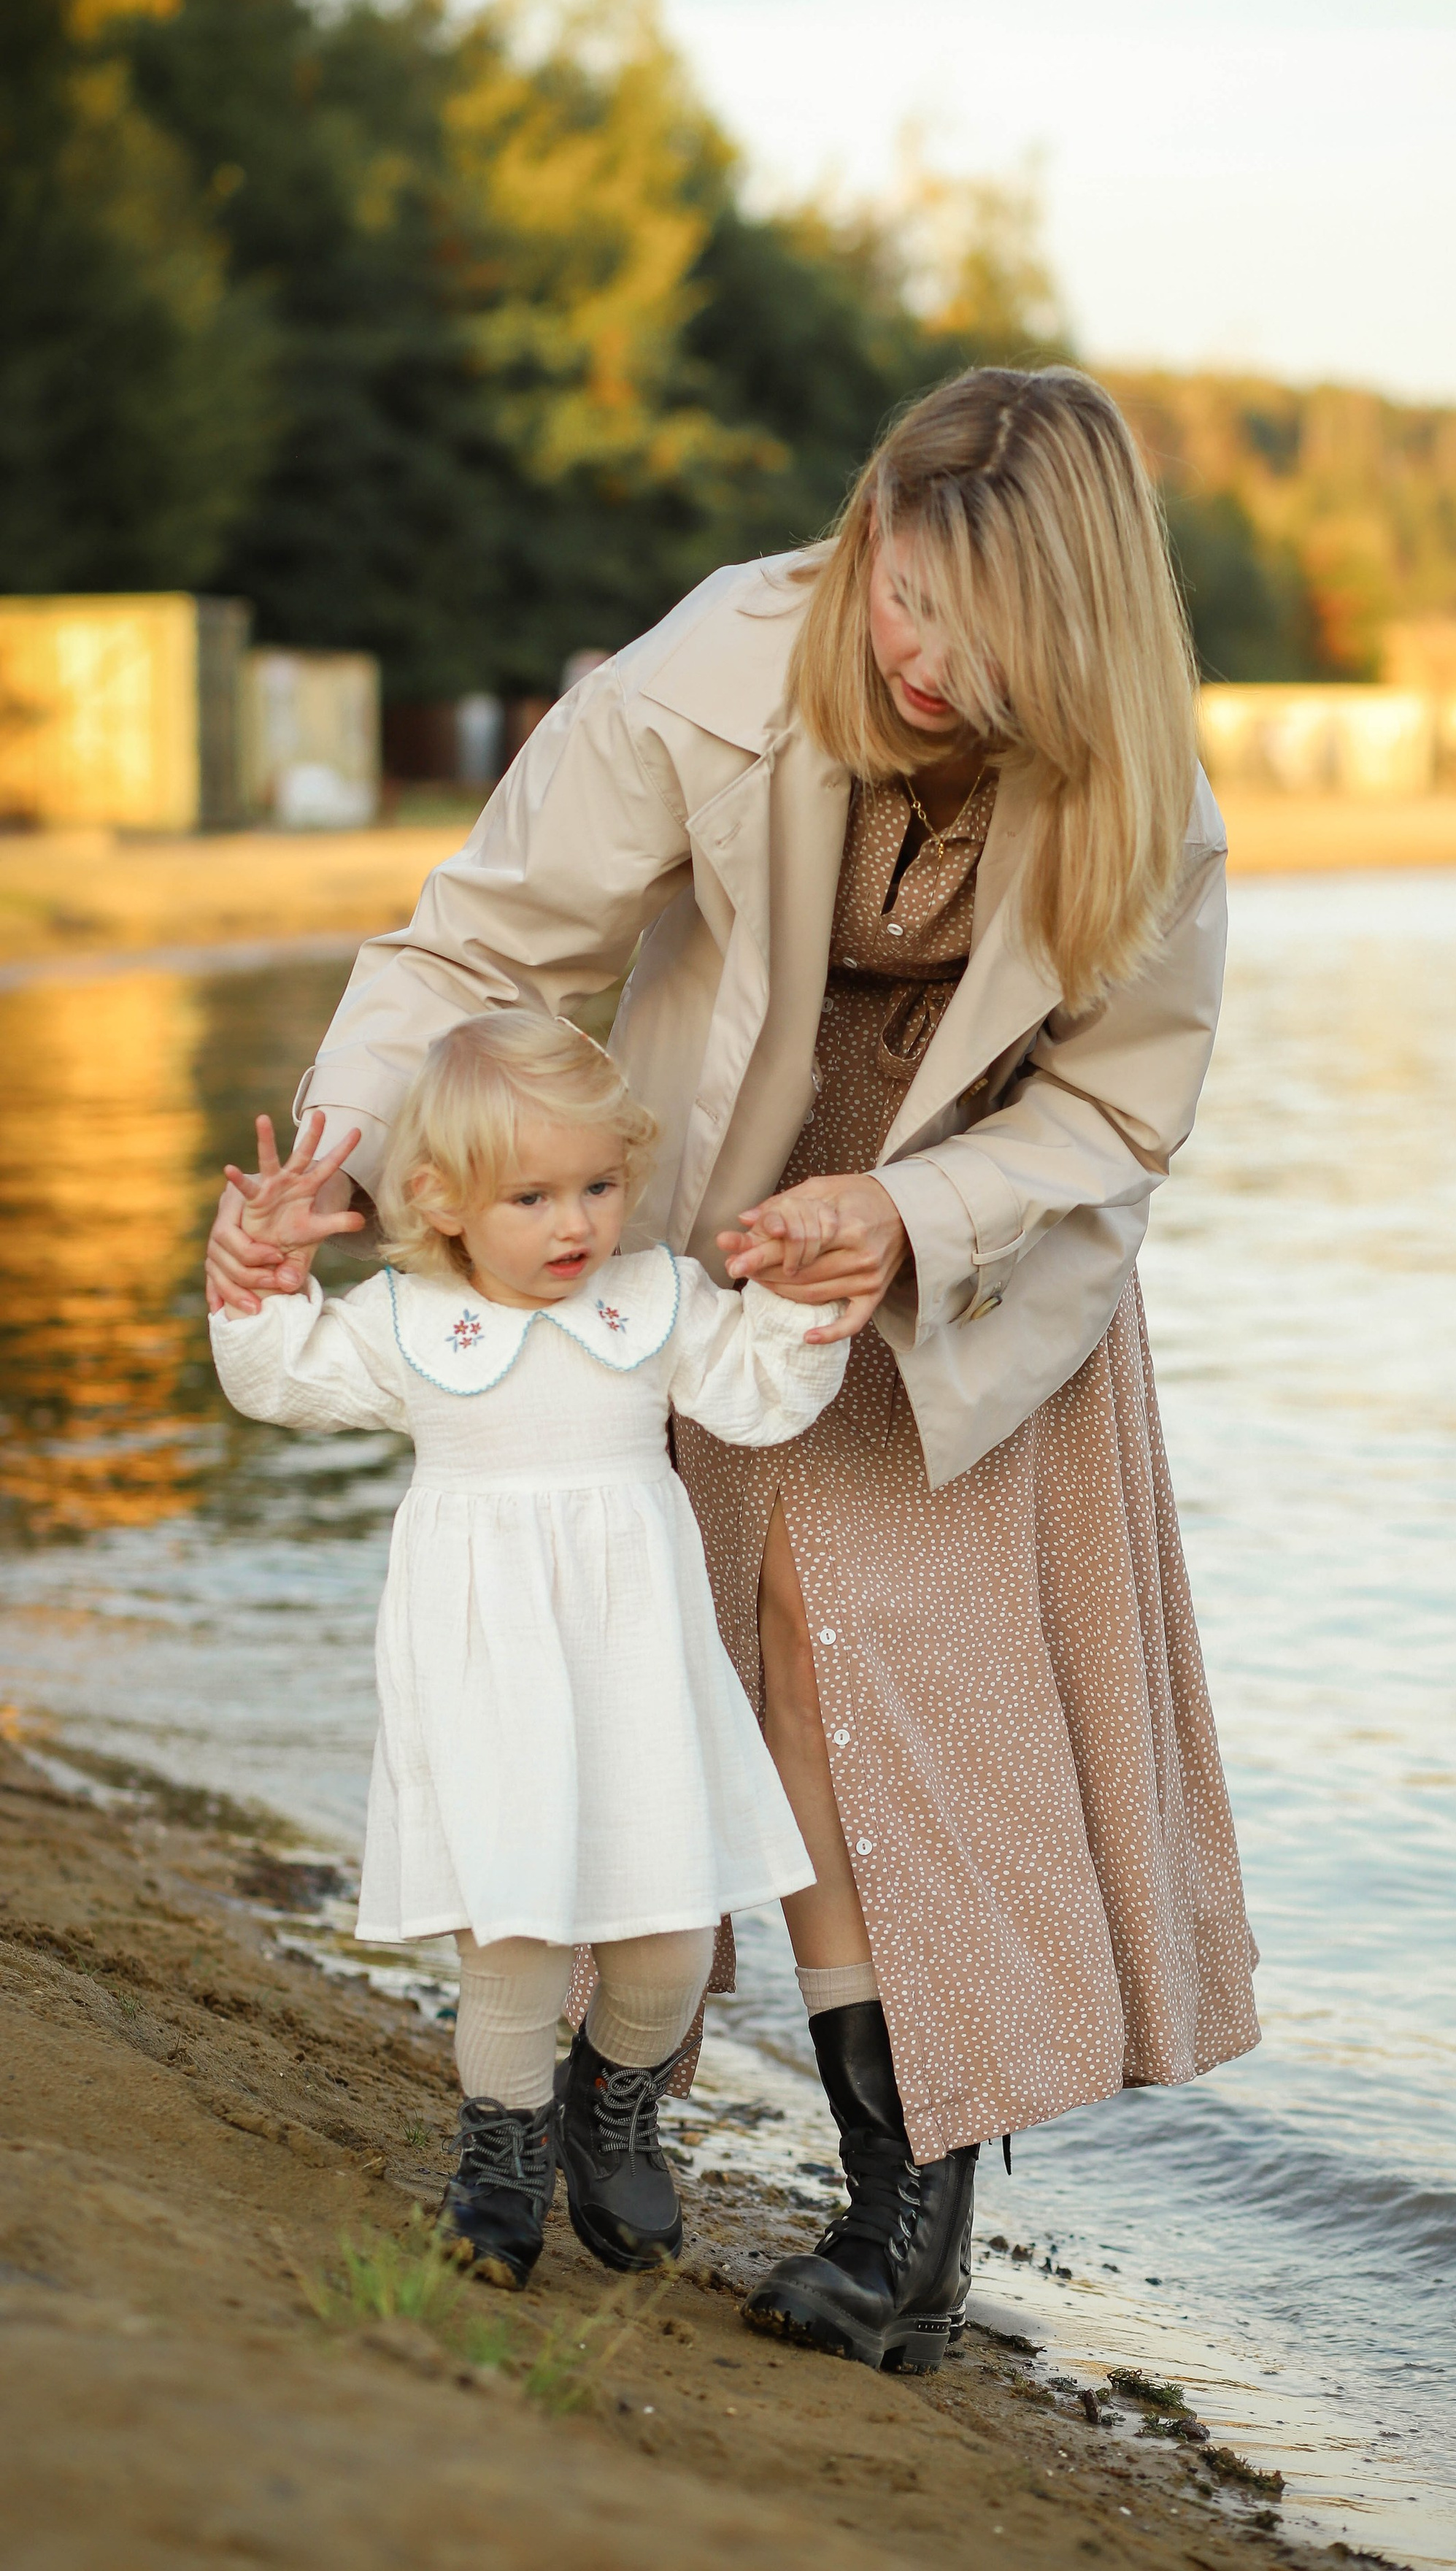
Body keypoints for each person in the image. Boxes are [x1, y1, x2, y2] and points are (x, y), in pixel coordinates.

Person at [207, 364, 1261, 2377]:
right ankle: (613, 2083)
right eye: (902, 595)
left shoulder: (1153, 801)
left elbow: (1124, 1116)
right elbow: (479, 945)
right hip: (715, 1218)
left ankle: (905, 2218)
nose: (926, 657)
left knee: (903, 1700)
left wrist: (926, 1214)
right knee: (697, 1648)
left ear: (1084, 628)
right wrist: (346, 1169)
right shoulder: (712, 672)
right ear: (866, 541)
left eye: (984, 627)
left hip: (969, 1254)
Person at [208, 1010, 844, 2293]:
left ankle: (609, 2105)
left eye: (600, 1186)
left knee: (665, 1942)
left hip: (638, 1670)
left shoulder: (652, 1298)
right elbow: (284, 1385)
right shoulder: (407, 1322)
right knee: (513, 1940)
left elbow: (757, 1396)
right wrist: (265, 1283)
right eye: (534, 1195)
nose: (576, 1226)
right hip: (488, 1674)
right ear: (438, 1199)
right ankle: (499, 2153)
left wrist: (795, 1304)